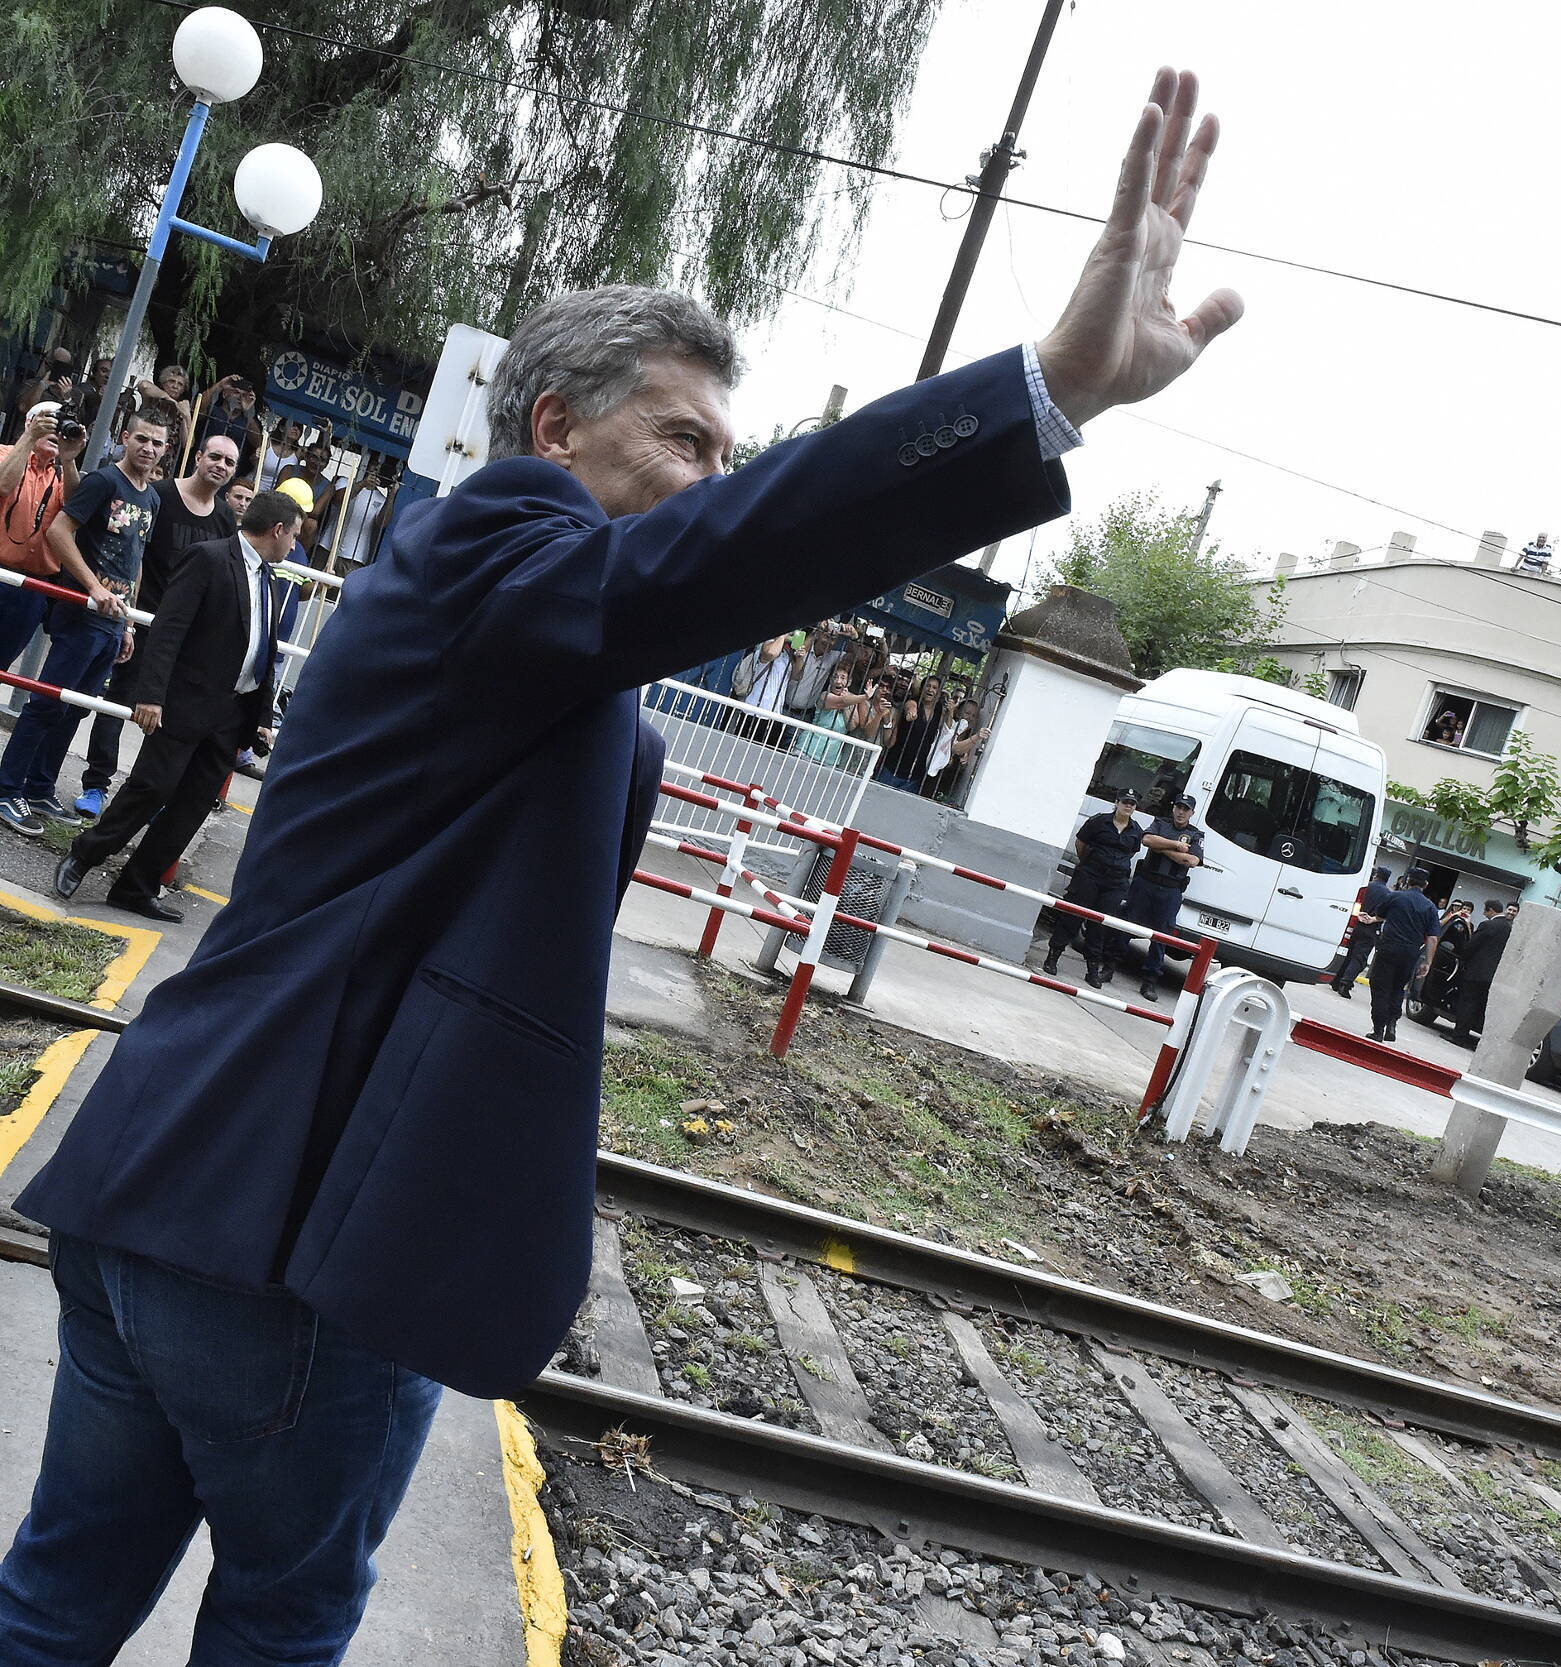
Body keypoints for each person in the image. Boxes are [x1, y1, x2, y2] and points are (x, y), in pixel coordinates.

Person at [0, 70, 1238, 1658]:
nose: (713, 477)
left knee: (53, 1599)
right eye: (685, 438)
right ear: (551, 427)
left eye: (731, 451)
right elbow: (727, 556)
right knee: (282, 1624)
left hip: (163, 1182)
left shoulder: (480, 603)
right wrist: (1044, 391)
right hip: (290, 1242)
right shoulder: (503, 556)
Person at [54, 491, 290, 919]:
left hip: (230, 714)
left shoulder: (269, 579)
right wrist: (151, 695)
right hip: (185, 702)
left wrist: (260, 718)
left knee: (193, 804)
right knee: (151, 787)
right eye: (292, 535)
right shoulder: (210, 558)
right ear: (277, 531)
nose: (293, 544)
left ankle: (136, 887)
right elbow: (168, 629)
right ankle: (85, 855)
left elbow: (262, 649)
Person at [0, 406, 156, 836]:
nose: (149, 448)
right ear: (125, 437)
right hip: (59, 602)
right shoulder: (102, 479)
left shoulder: (148, 495)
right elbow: (57, 528)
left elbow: (133, 556)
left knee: (73, 710)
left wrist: (127, 622)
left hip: (94, 613)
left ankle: (37, 786)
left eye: (158, 442)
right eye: (142, 438)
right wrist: (93, 588)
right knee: (45, 701)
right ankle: (7, 786)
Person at [75, 432, 240, 817]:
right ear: (198, 457)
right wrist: (130, 619)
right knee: (118, 706)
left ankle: (144, 798)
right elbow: (135, 553)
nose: (221, 466)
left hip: (187, 638)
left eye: (229, 463)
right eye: (215, 456)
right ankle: (96, 785)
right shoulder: (160, 495)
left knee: (171, 722)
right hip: (143, 620)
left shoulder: (224, 517)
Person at [0, 407, 87, 671]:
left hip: (31, 589)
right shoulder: (4, 453)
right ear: (30, 423)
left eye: (60, 425)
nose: (54, 430)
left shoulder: (61, 474)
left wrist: (70, 460)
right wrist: (29, 438)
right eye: (48, 422)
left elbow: (75, 510)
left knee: (2, 666)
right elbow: (3, 484)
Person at [1046, 788, 1149, 987]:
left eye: (1132, 803)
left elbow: (1131, 853)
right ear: (1117, 802)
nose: (1128, 806)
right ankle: (1053, 957)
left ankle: (1092, 970)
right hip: (1090, 876)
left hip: (1115, 884)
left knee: (1100, 925)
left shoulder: (1135, 830)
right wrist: (1090, 863)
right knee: (1072, 917)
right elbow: (1080, 843)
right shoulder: (1098, 822)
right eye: (1125, 801)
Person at [1124, 792, 1204, 1001]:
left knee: (1161, 937)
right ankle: (1109, 965)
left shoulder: (1195, 835)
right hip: (1146, 883)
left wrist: (1162, 847)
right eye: (1178, 807)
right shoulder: (1160, 822)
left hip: (1170, 891)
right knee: (1127, 925)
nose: (1181, 812)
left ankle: (1150, 981)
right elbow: (1147, 839)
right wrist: (1176, 845)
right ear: (1173, 808)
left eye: (1185, 809)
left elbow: (1192, 861)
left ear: (1192, 813)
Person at [1366, 867, 1441, 1044]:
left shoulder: (1395, 897)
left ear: (1407, 881)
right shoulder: (1430, 907)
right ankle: (1392, 1022)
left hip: (1389, 948)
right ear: (1426, 885)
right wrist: (1428, 962)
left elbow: (1380, 914)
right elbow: (1432, 938)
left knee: (1380, 987)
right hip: (1410, 953)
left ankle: (1378, 1029)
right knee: (1398, 988)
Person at [1448, 899, 1512, 1046]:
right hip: (1493, 975)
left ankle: (1459, 1037)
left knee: (1467, 1004)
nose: (1484, 913)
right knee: (1480, 1006)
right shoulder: (1509, 928)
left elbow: (1472, 946)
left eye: (1485, 910)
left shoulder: (1488, 925)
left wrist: (1461, 956)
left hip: (1476, 972)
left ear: (1490, 910)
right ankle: (1475, 1038)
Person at [880, 672, 949, 790]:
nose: (930, 689)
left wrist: (951, 711)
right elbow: (910, 707)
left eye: (934, 687)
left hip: (916, 775)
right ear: (922, 688)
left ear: (938, 693)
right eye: (927, 685)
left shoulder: (939, 710)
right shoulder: (913, 702)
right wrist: (911, 713)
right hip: (894, 767)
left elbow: (946, 731)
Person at [1332, 865, 1393, 1000]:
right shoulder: (1388, 894)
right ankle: (1345, 983)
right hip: (1371, 927)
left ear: (1376, 875)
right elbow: (1387, 914)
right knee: (1359, 957)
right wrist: (1373, 919)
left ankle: (1336, 979)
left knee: (1347, 952)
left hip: (1355, 923)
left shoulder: (1365, 886)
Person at [794, 664, 870, 765]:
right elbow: (838, 702)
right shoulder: (824, 695)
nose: (838, 681)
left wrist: (846, 705)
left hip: (829, 758)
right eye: (835, 677)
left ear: (849, 682)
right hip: (806, 749)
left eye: (843, 678)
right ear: (830, 680)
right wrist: (864, 697)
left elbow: (851, 726)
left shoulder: (852, 701)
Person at [333, 458, 395, 570]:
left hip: (355, 557)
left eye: (380, 467)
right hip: (327, 547)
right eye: (374, 465)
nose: (377, 469)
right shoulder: (344, 482)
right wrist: (363, 484)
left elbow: (382, 523)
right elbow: (338, 500)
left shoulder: (381, 499)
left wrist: (391, 496)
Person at [923, 694, 988, 801]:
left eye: (974, 716)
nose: (970, 718)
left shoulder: (968, 737)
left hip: (947, 791)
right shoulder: (949, 727)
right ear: (958, 713)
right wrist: (977, 737)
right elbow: (953, 747)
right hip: (930, 783)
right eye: (967, 713)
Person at [784, 622, 851, 721]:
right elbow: (797, 648)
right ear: (818, 635)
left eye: (833, 639)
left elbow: (855, 656)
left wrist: (855, 637)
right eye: (827, 636)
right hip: (783, 708)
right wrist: (817, 629)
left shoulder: (832, 657)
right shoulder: (804, 649)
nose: (829, 642)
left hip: (805, 715)